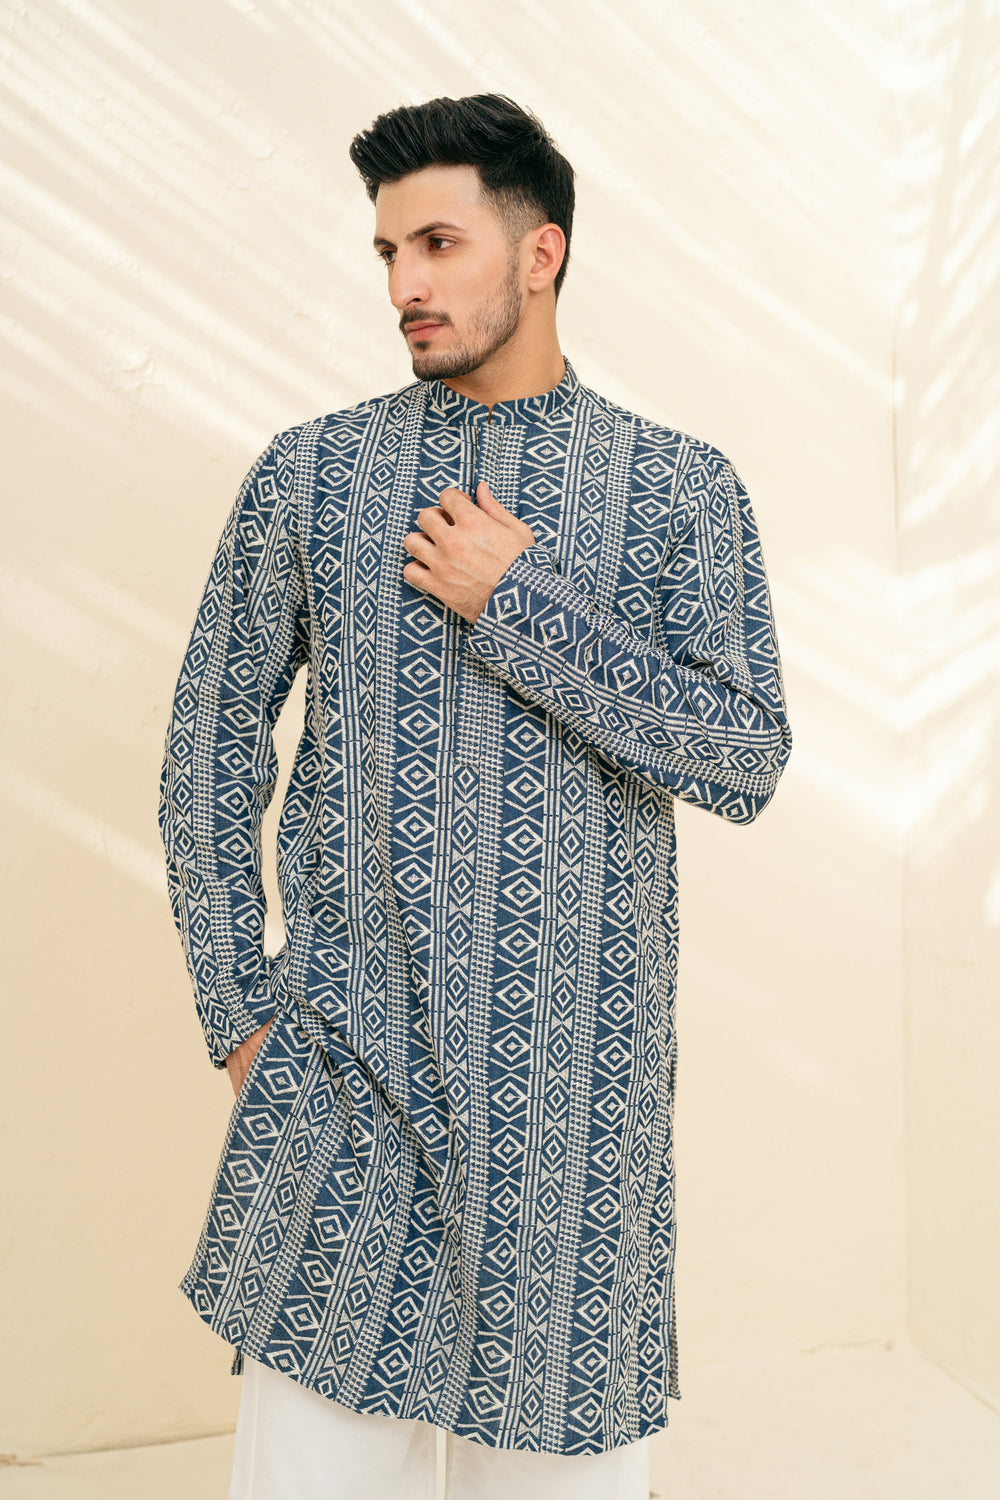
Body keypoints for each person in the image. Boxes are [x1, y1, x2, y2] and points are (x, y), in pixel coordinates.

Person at [158, 92, 793, 1499]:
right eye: (389, 252)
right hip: (347, 1075)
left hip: (575, 1113)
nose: (405, 282)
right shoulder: (314, 476)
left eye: (438, 244)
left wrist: (523, 606)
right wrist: (239, 1010)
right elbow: (209, 746)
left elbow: (745, 756)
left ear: (541, 251)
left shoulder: (680, 488)